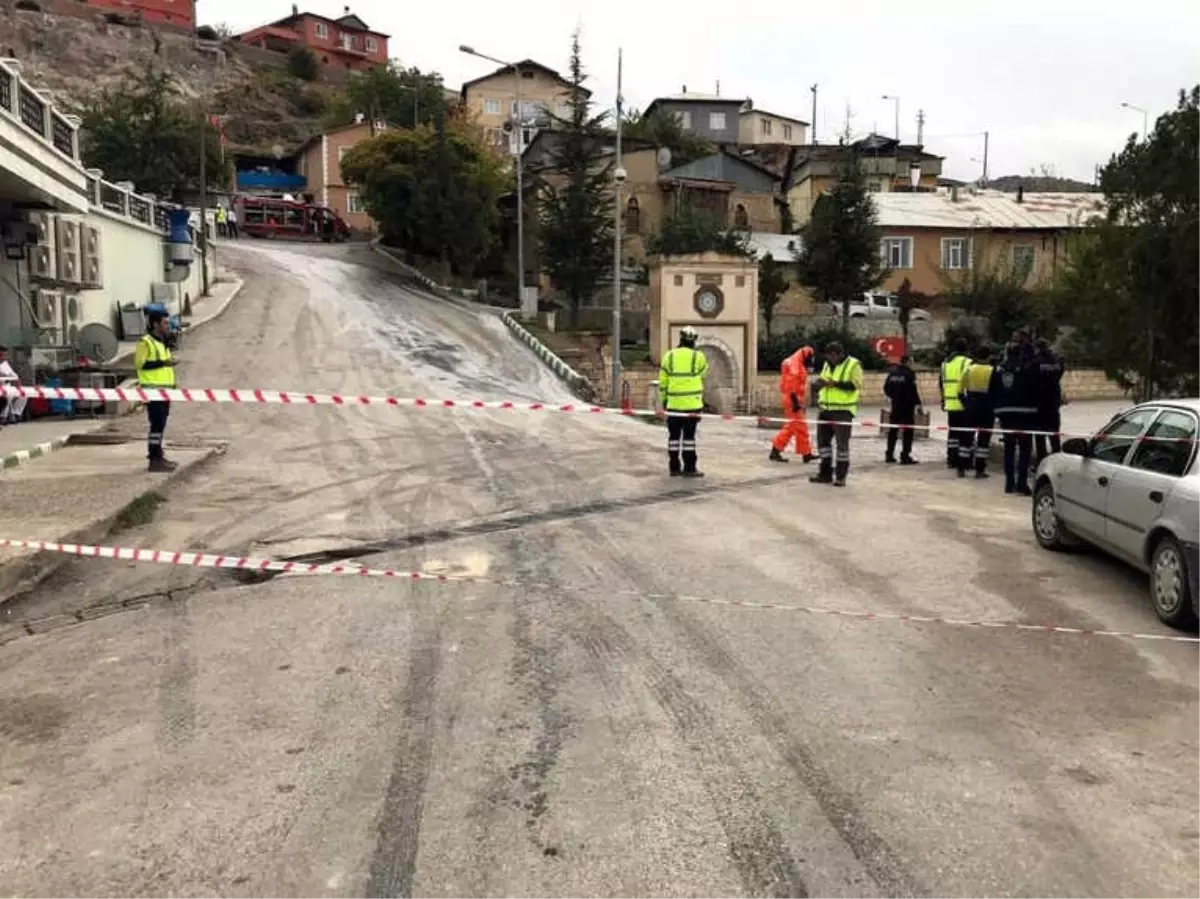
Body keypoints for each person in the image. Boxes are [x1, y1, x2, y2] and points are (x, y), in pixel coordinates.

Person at [809, 341, 863, 487]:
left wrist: (835, 384)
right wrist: (819, 384)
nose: (828, 359)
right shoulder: (827, 364)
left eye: (830, 356)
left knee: (842, 446)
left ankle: (840, 477)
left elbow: (856, 385)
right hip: (825, 409)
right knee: (823, 445)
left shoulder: (853, 364)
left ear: (838, 354)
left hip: (842, 411)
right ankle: (825, 473)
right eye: (827, 356)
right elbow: (825, 382)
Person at [989, 341, 1038, 496]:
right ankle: (1021, 483)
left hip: (1005, 414)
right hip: (1024, 414)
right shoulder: (1026, 369)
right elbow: (1033, 389)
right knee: (1024, 449)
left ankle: (1009, 483)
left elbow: (991, 390)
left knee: (1009, 448)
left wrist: (996, 410)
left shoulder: (997, 370)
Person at [659, 325, 709, 478]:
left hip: (673, 404)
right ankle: (689, 467)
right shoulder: (698, 356)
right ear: (693, 341)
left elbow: (663, 382)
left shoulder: (669, 356)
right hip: (692, 405)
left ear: (680, 339)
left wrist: (664, 401)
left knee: (673, 436)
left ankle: (674, 467)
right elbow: (704, 373)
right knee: (689, 437)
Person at [136, 312, 178, 473]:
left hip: (165, 392)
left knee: (161, 425)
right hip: (153, 392)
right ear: (155, 324)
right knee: (156, 425)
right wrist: (163, 362)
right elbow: (140, 365)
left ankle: (158, 455)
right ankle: (154, 458)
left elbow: (166, 368)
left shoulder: (162, 343)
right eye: (165, 323)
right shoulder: (145, 342)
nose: (168, 326)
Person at [769, 345, 815, 463]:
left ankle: (776, 450)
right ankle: (806, 454)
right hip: (792, 398)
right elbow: (792, 387)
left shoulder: (794, 361)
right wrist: (796, 403)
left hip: (791, 398)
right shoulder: (796, 366)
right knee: (801, 426)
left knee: (792, 426)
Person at [958, 345, 995, 479]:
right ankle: (980, 470)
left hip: (971, 405)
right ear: (988, 356)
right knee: (983, 440)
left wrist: (966, 404)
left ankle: (961, 468)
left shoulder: (968, 369)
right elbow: (996, 391)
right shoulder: (992, 371)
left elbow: (959, 391)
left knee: (966, 438)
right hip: (987, 407)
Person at [939, 338, 973, 469]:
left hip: (950, 404)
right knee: (965, 435)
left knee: (953, 434)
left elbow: (941, 384)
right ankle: (964, 462)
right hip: (964, 403)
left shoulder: (945, 363)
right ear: (965, 349)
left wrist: (943, 400)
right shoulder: (967, 362)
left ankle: (951, 459)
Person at [883, 353, 923, 465]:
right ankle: (905, 455)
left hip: (895, 405)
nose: (912, 364)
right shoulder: (909, 374)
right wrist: (918, 405)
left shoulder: (893, 373)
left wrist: (894, 396)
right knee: (908, 431)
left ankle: (889, 455)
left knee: (893, 431)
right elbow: (913, 391)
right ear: (907, 362)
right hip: (906, 407)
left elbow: (886, 388)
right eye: (911, 362)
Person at [1033, 338, 1065, 463]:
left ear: (1037, 348)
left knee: (1040, 436)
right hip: (1053, 403)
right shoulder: (1057, 362)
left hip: (1040, 404)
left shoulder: (1035, 362)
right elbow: (1060, 373)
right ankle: (1057, 458)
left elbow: (1031, 379)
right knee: (1054, 434)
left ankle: (1041, 460)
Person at [0, 345, 26, 426]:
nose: (4, 357)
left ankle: (15, 414)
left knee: (23, 393)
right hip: (2, 387)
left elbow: (15, 376)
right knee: (7, 395)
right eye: (1, 355)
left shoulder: (5, 364)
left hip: (6, 385)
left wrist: (18, 383)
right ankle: (3, 417)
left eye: (5, 355)